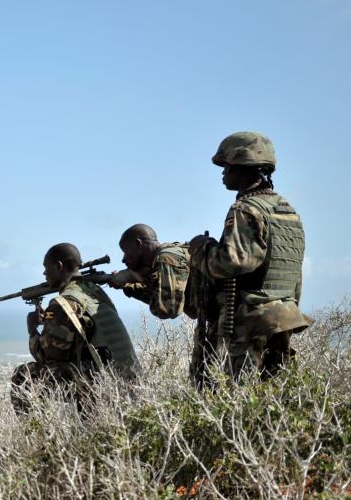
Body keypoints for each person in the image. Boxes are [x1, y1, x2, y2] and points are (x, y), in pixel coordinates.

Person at [189, 132, 310, 380]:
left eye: (227, 166)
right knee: (274, 393)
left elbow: (232, 262)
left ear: (244, 166)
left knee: (240, 393)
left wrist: (201, 248)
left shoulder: (246, 209)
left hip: (251, 323)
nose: (223, 173)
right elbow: (293, 273)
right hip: (284, 318)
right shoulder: (287, 211)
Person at [10, 243, 137, 414]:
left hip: (98, 378)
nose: (44, 274)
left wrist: (32, 329)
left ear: (59, 266)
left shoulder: (63, 303)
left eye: (46, 268)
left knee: (24, 374)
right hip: (123, 372)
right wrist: (50, 320)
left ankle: (33, 428)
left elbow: (47, 356)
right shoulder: (94, 292)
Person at [108, 224, 217, 387]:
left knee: (207, 381)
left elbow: (167, 309)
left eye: (126, 251)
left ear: (138, 244)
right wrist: (130, 286)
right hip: (218, 319)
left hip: (227, 320)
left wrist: (132, 277)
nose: (124, 259)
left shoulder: (167, 258)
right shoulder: (171, 253)